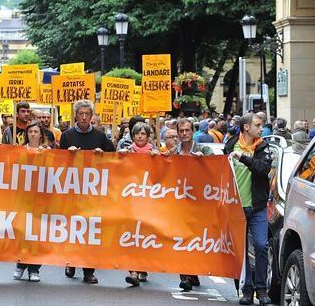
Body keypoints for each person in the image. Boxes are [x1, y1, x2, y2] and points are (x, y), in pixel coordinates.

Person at [59, 100, 115, 284]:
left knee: (90, 230)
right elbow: (57, 162)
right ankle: (71, 261)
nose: (84, 117)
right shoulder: (66, 136)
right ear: (75, 115)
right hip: (72, 190)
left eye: (87, 114)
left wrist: (102, 155)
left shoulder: (100, 137)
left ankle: (88, 271)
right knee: (73, 229)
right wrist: (68, 153)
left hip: (93, 193)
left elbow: (113, 160)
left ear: (92, 116)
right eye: (81, 113)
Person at [225, 113, 273, 305]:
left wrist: (244, 158)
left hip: (257, 207)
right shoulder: (230, 145)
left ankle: (262, 290)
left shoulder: (262, 146)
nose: (261, 129)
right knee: (241, 250)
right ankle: (247, 290)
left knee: (261, 246)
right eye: (258, 125)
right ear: (246, 127)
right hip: (236, 208)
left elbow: (263, 169)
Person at [170, 118, 212, 291]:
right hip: (179, 203)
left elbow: (217, 169)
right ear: (178, 133)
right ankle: (185, 275)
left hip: (199, 203)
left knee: (195, 239)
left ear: (193, 131)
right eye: (181, 131)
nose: (185, 134)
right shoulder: (173, 152)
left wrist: (205, 162)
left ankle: (193, 272)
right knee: (181, 238)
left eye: (188, 130)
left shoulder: (204, 150)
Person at [118, 123, 160, 286]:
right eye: (137, 134)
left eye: (143, 133)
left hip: (149, 201)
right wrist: (121, 156)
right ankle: (133, 271)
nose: (140, 136)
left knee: (144, 237)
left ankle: (143, 267)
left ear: (148, 136)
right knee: (131, 236)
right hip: (130, 200)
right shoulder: (127, 152)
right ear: (133, 136)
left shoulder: (154, 153)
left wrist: (158, 158)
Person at [13, 120, 49, 283]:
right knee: (22, 232)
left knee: (37, 234)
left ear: (41, 134)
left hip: (41, 199)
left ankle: (34, 268)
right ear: (26, 134)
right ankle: (20, 264)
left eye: (36, 132)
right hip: (23, 197)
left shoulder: (49, 152)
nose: (33, 134)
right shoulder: (19, 151)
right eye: (30, 132)